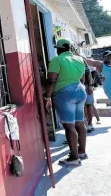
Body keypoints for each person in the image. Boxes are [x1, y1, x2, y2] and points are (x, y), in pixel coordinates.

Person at [45, 38, 87, 166]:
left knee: (69, 126)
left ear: (59, 49)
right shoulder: (79, 59)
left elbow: (51, 80)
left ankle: (74, 158)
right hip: (80, 90)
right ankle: (82, 152)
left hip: (65, 93)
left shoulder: (57, 60)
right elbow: (83, 78)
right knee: (80, 123)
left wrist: (47, 97)